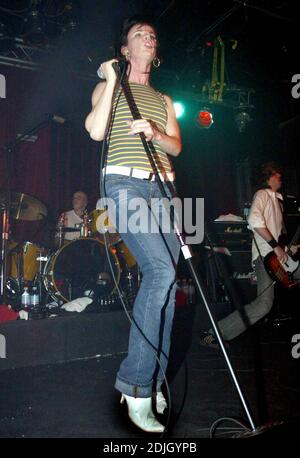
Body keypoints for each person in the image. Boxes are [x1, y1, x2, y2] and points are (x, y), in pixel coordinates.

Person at [85, 15, 182, 433]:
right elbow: (94, 130)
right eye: (139, 34)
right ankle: (135, 385)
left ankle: (155, 380)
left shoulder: (162, 97)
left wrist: (156, 131)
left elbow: (176, 146)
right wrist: (110, 78)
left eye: (152, 35)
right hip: (123, 182)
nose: (149, 37)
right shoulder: (109, 86)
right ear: (125, 49)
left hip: (163, 189)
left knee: (170, 282)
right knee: (159, 271)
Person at [201, 162, 300, 348]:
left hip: (277, 257)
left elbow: (276, 238)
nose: (280, 177)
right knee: (263, 305)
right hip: (266, 258)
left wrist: (286, 249)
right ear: (268, 177)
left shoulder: (277, 200)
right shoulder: (263, 194)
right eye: (277, 174)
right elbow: (254, 219)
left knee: (264, 304)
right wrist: (276, 248)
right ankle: (214, 333)